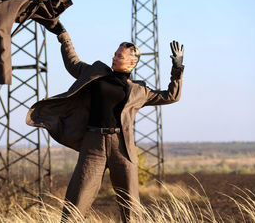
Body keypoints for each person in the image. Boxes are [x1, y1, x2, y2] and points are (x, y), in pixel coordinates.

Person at [26, 21, 184, 222]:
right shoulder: (96, 73)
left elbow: (172, 95)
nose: (114, 57)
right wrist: (63, 35)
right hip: (93, 145)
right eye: (115, 53)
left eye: (120, 56)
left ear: (131, 63)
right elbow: (72, 62)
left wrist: (177, 69)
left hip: (122, 148)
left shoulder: (139, 91)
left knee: (131, 205)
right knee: (77, 199)